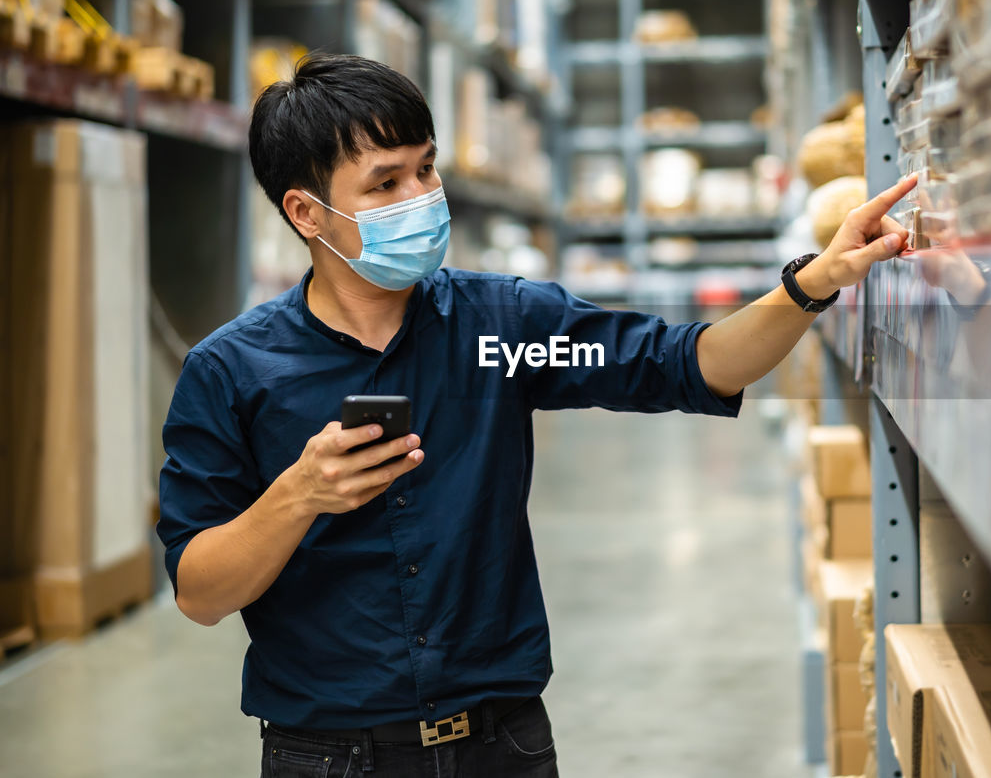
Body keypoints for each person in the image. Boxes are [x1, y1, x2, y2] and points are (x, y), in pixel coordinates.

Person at [156, 53, 916, 778]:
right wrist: (299, 495)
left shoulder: (500, 331)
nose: (420, 197)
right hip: (327, 757)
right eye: (384, 184)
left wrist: (816, 281)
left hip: (502, 746)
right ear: (305, 212)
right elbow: (200, 591)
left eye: (426, 167)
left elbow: (693, 362)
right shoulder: (232, 373)